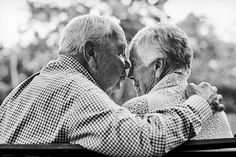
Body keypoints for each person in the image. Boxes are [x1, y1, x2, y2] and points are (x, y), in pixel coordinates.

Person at [0, 14, 222, 157]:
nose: (126, 66)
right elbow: (147, 139)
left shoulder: (19, 93)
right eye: (119, 52)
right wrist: (200, 104)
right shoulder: (80, 92)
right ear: (90, 53)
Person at [123, 22, 233, 140]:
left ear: (158, 65)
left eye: (134, 64)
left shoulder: (136, 110)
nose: (129, 74)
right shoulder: (215, 110)